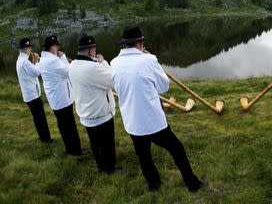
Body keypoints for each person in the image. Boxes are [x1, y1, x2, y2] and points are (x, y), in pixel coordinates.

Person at [110, 27, 203, 192]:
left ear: (124, 45)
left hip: (132, 122)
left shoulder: (114, 63)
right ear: (141, 43)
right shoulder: (149, 60)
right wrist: (150, 60)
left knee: (144, 156)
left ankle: (154, 185)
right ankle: (192, 183)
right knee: (177, 149)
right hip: (153, 122)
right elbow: (164, 87)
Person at [69, 35, 120, 173]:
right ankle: (110, 169)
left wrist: (97, 62)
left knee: (95, 143)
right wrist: (103, 62)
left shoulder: (72, 65)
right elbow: (112, 80)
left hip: (86, 113)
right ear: (91, 51)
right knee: (107, 144)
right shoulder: (93, 67)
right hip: (100, 113)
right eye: (94, 49)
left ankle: (100, 166)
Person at [40, 35, 83, 156]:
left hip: (56, 98)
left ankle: (70, 149)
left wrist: (59, 57)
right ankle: (76, 151)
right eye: (57, 46)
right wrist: (63, 57)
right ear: (52, 47)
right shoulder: (53, 61)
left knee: (63, 125)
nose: (58, 48)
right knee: (69, 126)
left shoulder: (44, 59)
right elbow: (69, 71)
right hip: (62, 98)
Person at [15, 37, 52, 143]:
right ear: (24, 49)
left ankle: (43, 138)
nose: (30, 49)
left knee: (37, 117)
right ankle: (46, 140)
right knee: (40, 118)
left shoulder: (20, 60)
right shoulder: (24, 62)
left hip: (29, 95)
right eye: (28, 47)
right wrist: (38, 61)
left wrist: (35, 62)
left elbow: (31, 72)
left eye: (29, 47)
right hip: (33, 95)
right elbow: (37, 72)